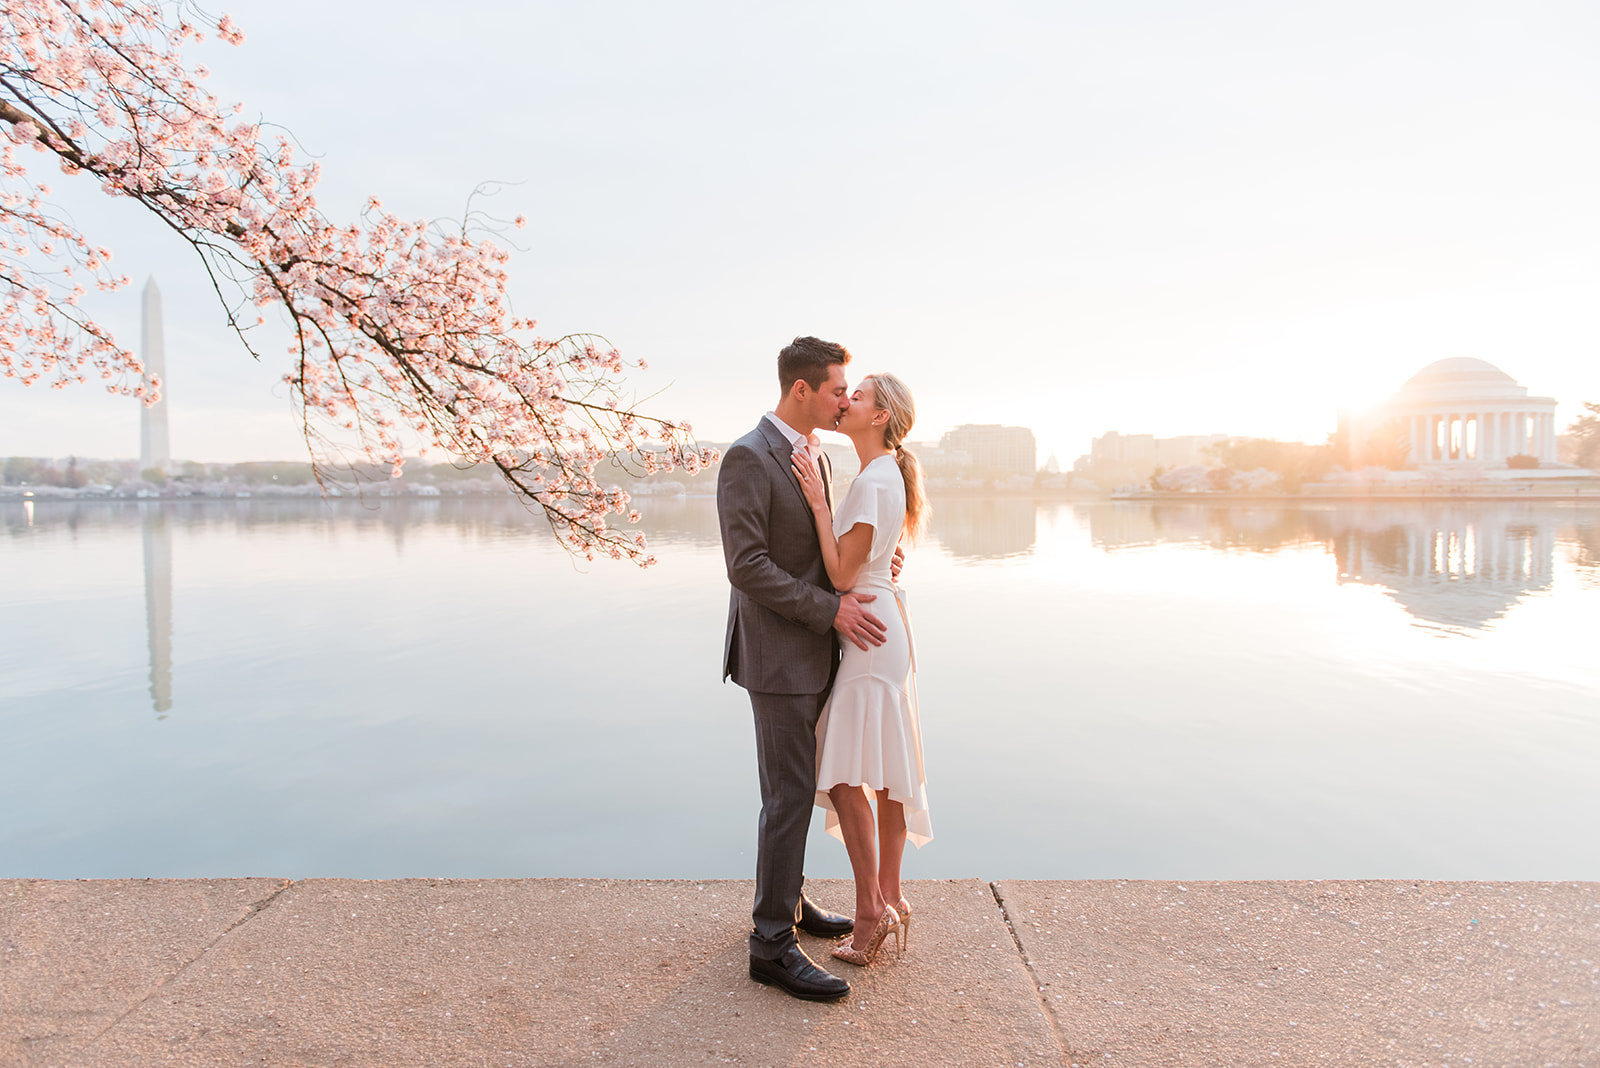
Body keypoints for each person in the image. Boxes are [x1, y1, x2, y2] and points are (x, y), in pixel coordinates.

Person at [717, 336, 892, 1003]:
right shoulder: (747, 456)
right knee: (787, 795)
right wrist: (831, 610)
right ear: (801, 391)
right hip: (779, 653)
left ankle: (788, 902)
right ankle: (771, 944)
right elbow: (747, 565)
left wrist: (870, 571)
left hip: (815, 647)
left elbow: (820, 549)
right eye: (836, 390)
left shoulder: (812, 452)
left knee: (801, 786)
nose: (845, 399)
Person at [790, 372, 931, 967]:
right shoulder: (884, 473)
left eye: (861, 395)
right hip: (883, 629)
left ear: (880, 417)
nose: (846, 401)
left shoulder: (875, 478)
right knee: (886, 768)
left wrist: (820, 508)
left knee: (849, 776)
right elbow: (867, 562)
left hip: (870, 634)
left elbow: (844, 576)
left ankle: (871, 910)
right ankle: (890, 897)